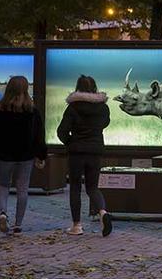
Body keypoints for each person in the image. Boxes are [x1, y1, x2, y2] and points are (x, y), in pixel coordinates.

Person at [0, 76, 46, 234]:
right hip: (26, 156)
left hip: (4, 155)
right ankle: (18, 224)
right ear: (26, 89)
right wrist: (41, 155)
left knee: (3, 185)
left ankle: (3, 213)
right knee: (22, 190)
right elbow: (39, 136)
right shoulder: (32, 111)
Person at [57, 75, 113, 236]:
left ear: (78, 88)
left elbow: (61, 131)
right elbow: (105, 124)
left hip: (76, 153)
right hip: (95, 152)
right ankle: (103, 212)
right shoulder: (103, 108)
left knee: (75, 187)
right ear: (94, 88)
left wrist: (70, 143)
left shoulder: (73, 107)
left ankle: (76, 226)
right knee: (92, 187)